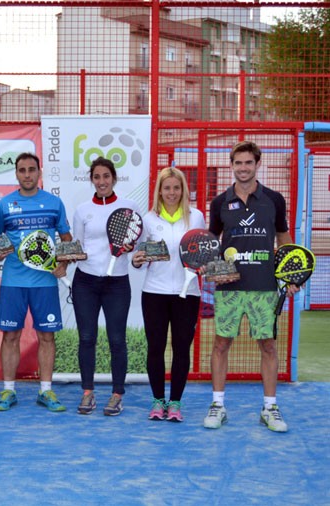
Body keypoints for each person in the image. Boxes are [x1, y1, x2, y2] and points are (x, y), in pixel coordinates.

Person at [204, 141, 296, 432]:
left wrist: (289, 274)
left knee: (267, 346)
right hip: (229, 288)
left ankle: (270, 408)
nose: (243, 168)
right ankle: (218, 405)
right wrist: (213, 270)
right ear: (231, 165)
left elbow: (283, 238)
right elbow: (210, 243)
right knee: (221, 344)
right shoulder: (220, 202)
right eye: (238, 163)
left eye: (248, 163)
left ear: (258, 164)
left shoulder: (274, 200)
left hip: (264, 286)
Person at [0, 153, 72, 413]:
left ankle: (46, 391)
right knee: (10, 336)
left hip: (45, 283)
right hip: (13, 282)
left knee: (46, 337)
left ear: (40, 172)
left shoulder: (54, 203)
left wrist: (64, 264)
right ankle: (8, 390)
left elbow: (66, 238)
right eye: (22, 170)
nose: (27, 174)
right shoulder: (5, 205)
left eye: (31, 170)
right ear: (16, 174)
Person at [131, 167, 205, 422]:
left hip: (188, 293)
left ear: (183, 190)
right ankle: (157, 401)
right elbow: (138, 255)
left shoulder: (196, 217)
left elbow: (202, 252)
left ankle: (175, 403)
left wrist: (204, 263)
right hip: (154, 293)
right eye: (167, 188)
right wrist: (137, 260)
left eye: (176, 188)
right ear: (159, 191)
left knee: (181, 348)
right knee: (156, 348)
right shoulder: (148, 219)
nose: (172, 193)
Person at [72, 156, 139, 416]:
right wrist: (72, 258)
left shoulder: (129, 206)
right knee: (87, 338)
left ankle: (116, 395)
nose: (102, 182)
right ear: (92, 180)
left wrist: (132, 249)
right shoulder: (82, 210)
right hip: (85, 282)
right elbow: (77, 245)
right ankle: (87, 393)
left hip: (117, 283)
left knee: (117, 340)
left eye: (106, 176)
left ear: (114, 178)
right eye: (97, 177)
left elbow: (137, 244)